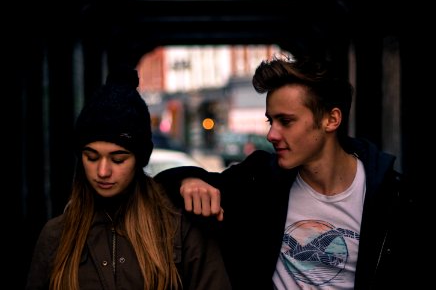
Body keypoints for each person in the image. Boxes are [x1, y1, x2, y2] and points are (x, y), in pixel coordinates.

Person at [155, 55, 414, 289]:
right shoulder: (260, 179)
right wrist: (188, 180)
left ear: (331, 120)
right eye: (271, 121)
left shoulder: (391, 197)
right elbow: (158, 185)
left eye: (286, 122)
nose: (271, 135)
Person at [25, 68, 231, 290]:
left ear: (139, 159)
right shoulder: (56, 235)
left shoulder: (180, 227)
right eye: (91, 157)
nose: (102, 171)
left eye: (118, 159)